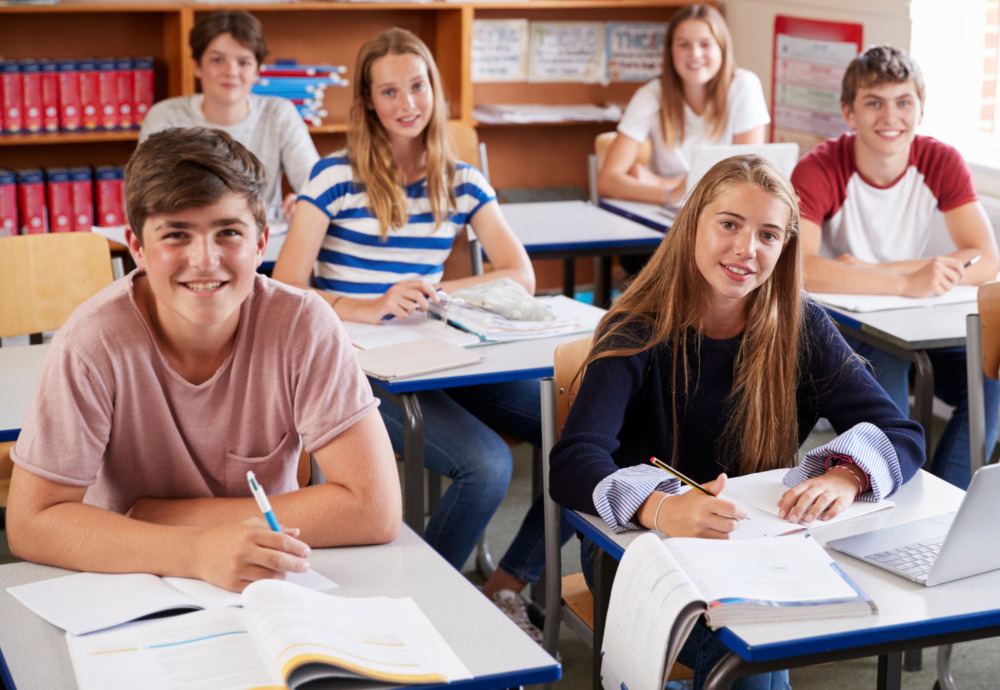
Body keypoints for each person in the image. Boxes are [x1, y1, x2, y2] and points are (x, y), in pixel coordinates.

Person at [549, 155, 924, 689]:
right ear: (693, 224)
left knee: (779, 644)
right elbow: (572, 463)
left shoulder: (799, 323)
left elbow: (901, 433)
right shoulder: (637, 326)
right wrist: (663, 508)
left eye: (768, 234)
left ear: (785, 246)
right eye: (729, 224)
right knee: (754, 659)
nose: (747, 249)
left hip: (756, 549)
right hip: (636, 553)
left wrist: (847, 475)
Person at [6, 127, 402, 593]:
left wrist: (176, 516)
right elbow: (31, 523)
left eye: (228, 232)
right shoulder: (93, 341)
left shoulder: (304, 325)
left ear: (260, 244)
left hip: (267, 579)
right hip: (130, 578)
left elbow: (375, 508)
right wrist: (197, 551)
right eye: (176, 234)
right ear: (136, 246)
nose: (204, 260)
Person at [272, 30, 560, 612]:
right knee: (486, 464)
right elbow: (283, 291)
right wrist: (367, 303)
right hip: (357, 371)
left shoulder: (461, 181)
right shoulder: (332, 179)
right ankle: (423, 604)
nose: (408, 103)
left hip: (439, 355)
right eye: (390, 91)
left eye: (418, 86)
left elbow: (517, 274)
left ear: (435, 90)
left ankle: (503, 589)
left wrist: (436, 292)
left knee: (585, 442)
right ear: (369, 102)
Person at [791, 45, 1000, 490]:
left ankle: (949, 506)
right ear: (849, 112)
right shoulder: (818, 168)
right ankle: (895, 502)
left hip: (912, 315)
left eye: (904, 102)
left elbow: (985, 258)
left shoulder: (940, 160)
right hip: (845, 324)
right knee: (888, 417)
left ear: (920, 110)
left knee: (992, 376)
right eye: (874, 103)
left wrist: (890, 274)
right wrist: (904, 281)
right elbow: (801, 268)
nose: (891, 116)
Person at [139, 9, 318, 222]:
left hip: (263, 245)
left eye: (243, 62)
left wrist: (306, 204)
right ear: (197, 66)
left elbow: (316, 187)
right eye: (217, 60)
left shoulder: (279, 114)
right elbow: (143, 198)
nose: (231, 72)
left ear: (257, 71)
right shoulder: (165, 117)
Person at [596, 4, 770, 208]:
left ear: (722, 48)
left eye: (706, 44)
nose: (695, 54)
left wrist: (660, 183)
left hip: (724, 214)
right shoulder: (651, 95)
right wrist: (671, 194)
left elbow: (746, 182)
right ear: (670, 51)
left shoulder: (744, 86)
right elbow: (607, 182)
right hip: (666, 216)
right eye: (683, 44)